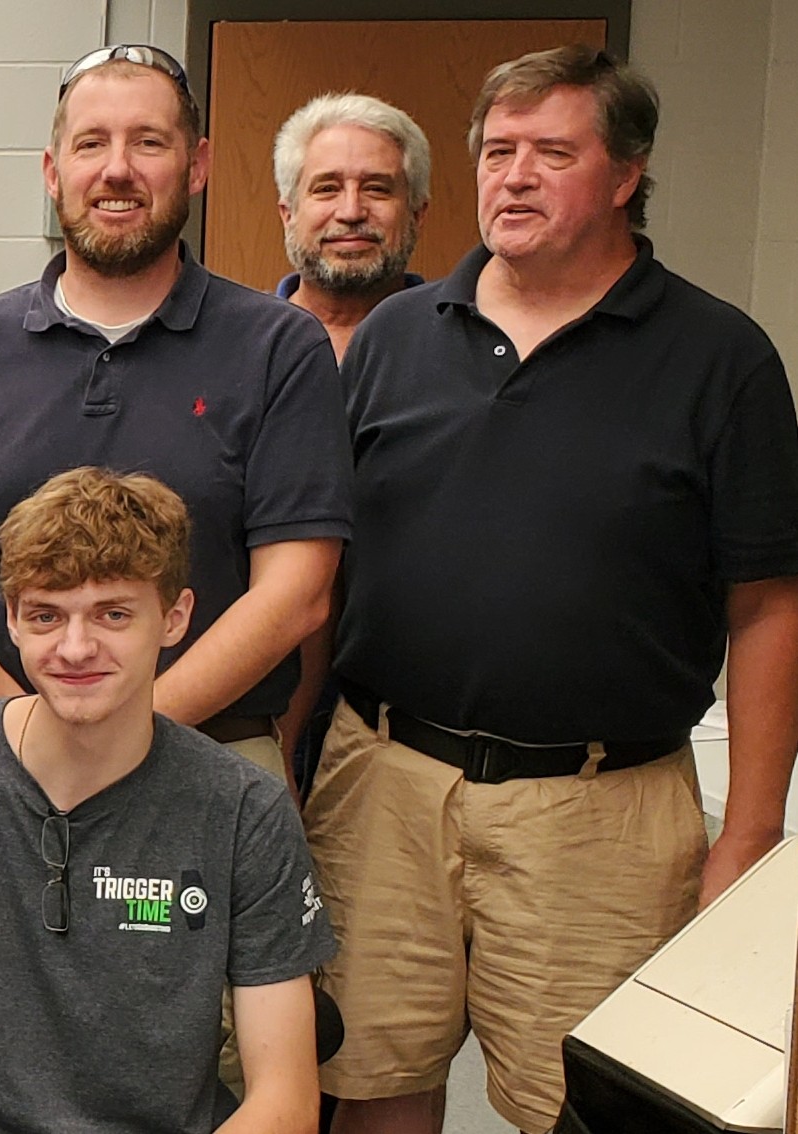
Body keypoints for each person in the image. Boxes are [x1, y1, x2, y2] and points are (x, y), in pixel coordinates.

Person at [323, 45, 795, 1134]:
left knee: (574, 1108)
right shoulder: (397, 336)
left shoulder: (719, 359)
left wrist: (750, 834)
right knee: (368, 1079)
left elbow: (768, 607)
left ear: (626, 175)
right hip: (383, 781)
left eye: (551, 153)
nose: (514, 177)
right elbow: (330, 563)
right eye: (497, 152)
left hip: (600, 813)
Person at [0, 466, 334, 1133]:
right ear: (12, 621)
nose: (76, 648)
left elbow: (284, 1099)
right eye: (46, 615)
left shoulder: (241, 808)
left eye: (113, 614)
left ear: (174, 617)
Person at [0, 44, 349, 779]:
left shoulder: (278, 346)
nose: (116, 170)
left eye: (148, 142)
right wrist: (35, 731)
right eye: (91, 144)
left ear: (196, 166)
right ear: (53, 172)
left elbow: (297, 593)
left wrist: (127, 737)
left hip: (210, 755)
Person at [271, 93, 430, 359]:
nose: (351, 212)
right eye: (327, 189)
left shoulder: (463, 347)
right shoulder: (239, 341)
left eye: (376, 189)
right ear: (288, 214)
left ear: (417, 214)